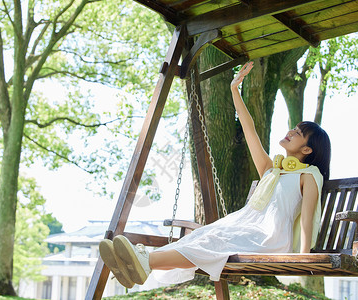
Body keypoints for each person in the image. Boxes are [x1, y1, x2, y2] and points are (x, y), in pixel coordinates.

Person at [99, 61, 332, 288]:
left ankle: (144, 262)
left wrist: (304, 257)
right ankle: (134, 265)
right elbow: (249, 128)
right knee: (201, 235)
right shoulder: (272, 170)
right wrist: (234, 88)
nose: (291, 130)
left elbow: (308, 217)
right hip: (244, 226)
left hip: (268, 236)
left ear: (307, 149)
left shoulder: (309, 176)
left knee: (213, 239)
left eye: (298, 132)